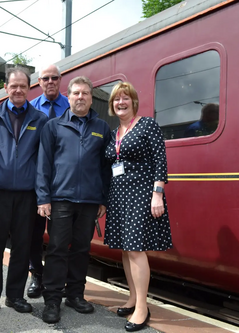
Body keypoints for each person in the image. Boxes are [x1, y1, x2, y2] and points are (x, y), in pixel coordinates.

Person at [0, 66, 48, 320]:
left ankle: (15, 295)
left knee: (23, 247)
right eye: (13, 86)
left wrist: (42, 193)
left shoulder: (40, 120)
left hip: (28, 195)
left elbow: (43, 160)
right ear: (5, 88)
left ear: (29, 89)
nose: (18, 90)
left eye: (23, 86)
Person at [36, 76, 111, 324]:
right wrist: (43, 198)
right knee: (57, 249)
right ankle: (52, 300)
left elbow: (105, 168)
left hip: (89, 201)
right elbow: (43, 164)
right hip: (60, 200)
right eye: (76, 93)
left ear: (91, 98)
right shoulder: (53, 126)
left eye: (85, 93)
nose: (80, 97)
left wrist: (103, 199)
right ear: (68, 97)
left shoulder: (102, 128)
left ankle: (75, 295)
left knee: (81, 249)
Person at [104, 82, 172, 332]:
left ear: (133, 101)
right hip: (119, 196)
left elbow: (160, 161)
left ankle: (142, 307)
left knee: (135, 249)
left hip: (142, 194)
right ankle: (132, 298)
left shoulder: (147, 125)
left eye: (125, 98)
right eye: (116, 100)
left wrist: (157, 194)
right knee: (124, 249)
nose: (120, 102)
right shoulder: (114, 134)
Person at [27, 63, 70, 298]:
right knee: (34, 233)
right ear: (39, 82)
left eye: (55, 77)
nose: (50, 81)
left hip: (63, 182)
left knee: (60, 236)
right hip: (36, 182)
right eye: (46, 78)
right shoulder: (31, 109)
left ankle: (56, 279)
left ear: (60, 80)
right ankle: (37, 275)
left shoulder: (71, 107)